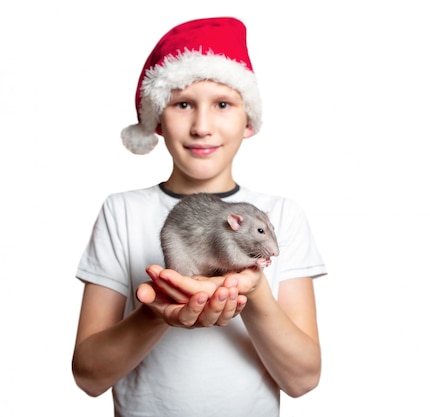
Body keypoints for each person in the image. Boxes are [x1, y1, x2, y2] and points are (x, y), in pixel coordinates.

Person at [71, 17, 327, 417]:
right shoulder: (121, 211)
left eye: (223, 104)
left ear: (249, 122)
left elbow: (303, 380)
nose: (202, 126)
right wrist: (157, 314)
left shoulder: (283, 214)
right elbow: (88, 378)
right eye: (183, 103)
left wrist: (256, 292)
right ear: (156, 119)